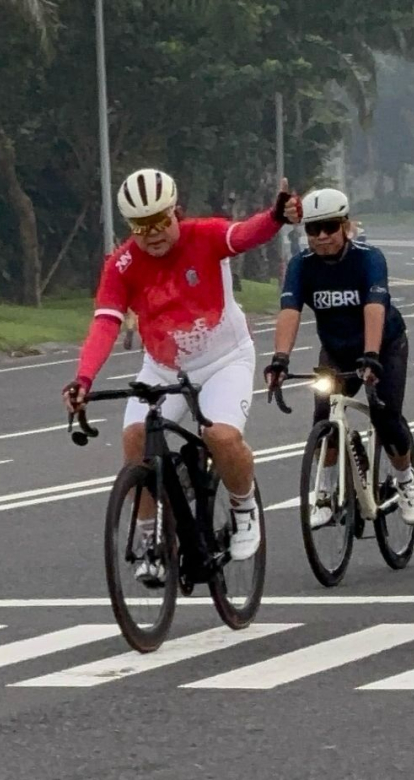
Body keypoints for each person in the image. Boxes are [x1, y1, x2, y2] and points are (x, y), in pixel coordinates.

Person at [63, 168, 299, 575]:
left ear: (177, 212)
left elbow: (243, 235)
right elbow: (105, 323)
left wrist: (276, 218)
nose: (152, 234)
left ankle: (244, 510)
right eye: (141, 227)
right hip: (164, 367)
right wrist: (83, 379)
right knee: (136, 439)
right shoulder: (121, 265)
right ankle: (152, 539)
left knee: (220, 436)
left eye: (160, 222)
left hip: (224, 361)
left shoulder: (203, 236)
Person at [266, 188, 414, 526]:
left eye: (330, 227)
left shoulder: (368, 258)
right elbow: (289, 311)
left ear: (346, 226)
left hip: (383, 344)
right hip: (337, 351)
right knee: (324, 414)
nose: (322, 237)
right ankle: (324, 492)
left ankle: (406, 479)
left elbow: (374, 307)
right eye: (313, 229)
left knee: (385, 415)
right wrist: (280, 359)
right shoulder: (301, 266)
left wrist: (371, 355)